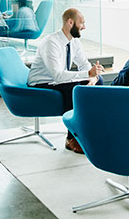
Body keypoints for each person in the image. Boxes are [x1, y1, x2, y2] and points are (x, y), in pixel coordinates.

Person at [28, 8, 104, 153]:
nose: (84, 27)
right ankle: (71, 138)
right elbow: (57, 75)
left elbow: (84, 64)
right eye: (81, 23)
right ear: (70, 22)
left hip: (58, 81)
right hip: (42, 82)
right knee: (73, 89)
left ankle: (88, 131)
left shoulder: (74, 42)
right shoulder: (51, 43)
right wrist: (88, 73)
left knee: (98, 82)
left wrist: (93, 77)